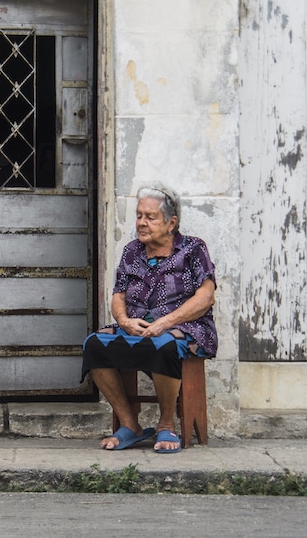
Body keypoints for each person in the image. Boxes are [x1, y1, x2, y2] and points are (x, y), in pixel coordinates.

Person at [82, 184, 217, 453]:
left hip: (185, 328)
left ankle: (167, 424)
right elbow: (118, 295)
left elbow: (206, 297)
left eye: (150, 217)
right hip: (135, 328)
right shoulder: (132, 251)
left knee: (163, 344)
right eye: (139, 215)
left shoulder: (192, 249)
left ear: (171, 223)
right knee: (94, 345)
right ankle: (130, 424)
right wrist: (124, 321)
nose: (141, 223)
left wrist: (165, 323)